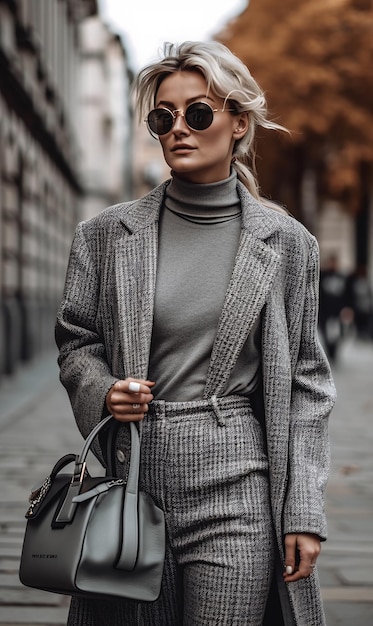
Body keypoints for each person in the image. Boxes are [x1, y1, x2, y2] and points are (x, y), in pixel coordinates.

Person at [55, 41, 336, 626]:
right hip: (135, 479)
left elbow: (308, 382)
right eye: (164, 117)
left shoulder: (287, 244)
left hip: (238, 481)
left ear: (238, 122)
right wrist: (103, 389)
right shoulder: (106, 236)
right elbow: (77, 339)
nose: (178, 128)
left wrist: (304, 511)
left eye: (198, 113)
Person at [319, 254, 348, 362]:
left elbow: (346, 295)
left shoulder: (342, 277)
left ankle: (334, 352)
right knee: (326, 333)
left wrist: (346, 309)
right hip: (325, 312)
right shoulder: (322, 276)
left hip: (338, 312)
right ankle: (329, 352)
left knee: (338, 334)